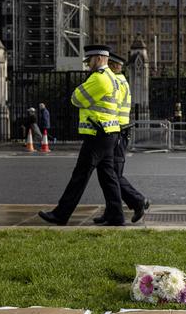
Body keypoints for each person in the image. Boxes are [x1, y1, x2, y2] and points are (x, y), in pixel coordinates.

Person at [38, 44, 124, 226]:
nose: (87, 64)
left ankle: (61, 214)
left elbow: (75, 98)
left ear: (99, 58)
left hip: (97, 132)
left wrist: (80, 91)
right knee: (108, 177)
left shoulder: (99, 79)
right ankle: (116, 215)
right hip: (109, 132)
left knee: (80, 175)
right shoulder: (112, 77)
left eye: (90, 60)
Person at [93, 52, 150, 225]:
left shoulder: (116, 81)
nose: (106, 66)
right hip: (117, 131)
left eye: (109, 64)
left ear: (115, 66)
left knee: (113, 175)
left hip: (116, 132)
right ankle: (111, 211)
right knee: (107, 176)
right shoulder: (120, 81)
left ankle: (138, 201)